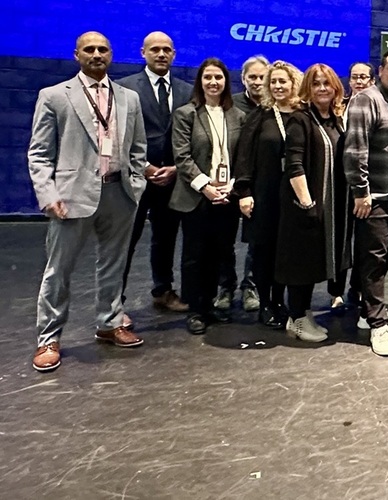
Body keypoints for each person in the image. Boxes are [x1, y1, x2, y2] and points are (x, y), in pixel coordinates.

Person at [28, 31, 148, 372]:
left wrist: (135, 184)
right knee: (59, 271)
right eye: (89, 49)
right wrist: (48, 194)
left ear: (111, 54)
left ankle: (109, 323)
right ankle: (48, 338)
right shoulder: (54, 96)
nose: (97, 54)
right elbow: (38, 153)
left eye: (103, 49)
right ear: (77, 55)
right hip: (71, 196)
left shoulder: (129, 98)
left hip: (119, 193)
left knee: (113, 264)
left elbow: (138, 147)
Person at [344, 48, 388, 356]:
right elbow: (354, 151)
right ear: (381, 71)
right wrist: (362, 192)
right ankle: (377, 324)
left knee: (384, 258)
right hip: (374, 198)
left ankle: (365, 310)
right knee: (374, 261)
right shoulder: (366, 100)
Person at [118, 31, 193, 321]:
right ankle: (115, 301)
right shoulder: (124, 88)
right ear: (143, 53)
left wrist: (175, 168)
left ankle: (163, 290)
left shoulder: (187, 90)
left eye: (167, 50)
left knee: (166, 238)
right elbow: (117, 137)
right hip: (135, 178)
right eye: (155, 50)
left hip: (172, 178)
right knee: (126, 240)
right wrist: (145, 167)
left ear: (174, 54)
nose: (161, 54)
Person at [169, 58, 245, 335]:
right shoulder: (185, 113)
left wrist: (231, 185)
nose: (213, 82)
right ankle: (196, 310)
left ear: (226, 81)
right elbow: (182, 156)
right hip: (196, 196)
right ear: (200, 82)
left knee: (220, 253)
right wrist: (205, 186)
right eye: (207, 77)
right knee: (194, 255)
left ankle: (211, 304)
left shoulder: (237, 116)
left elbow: (243, 157)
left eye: (219, 77)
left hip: (227, 196)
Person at [277, 63, 352, 342]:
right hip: (305, 207)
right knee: (301, 263)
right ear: (307, 88)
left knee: (311, 263)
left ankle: (302, 314)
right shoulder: (300, 119)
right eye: (316, 83)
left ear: (335, 88)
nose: (322, 88)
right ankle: (296, 319)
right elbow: (294, 164)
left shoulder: (333, 120)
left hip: (330, 205)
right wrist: (308, 204)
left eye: (327, 83)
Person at [234, 61, 302, 329]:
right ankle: (266, 304)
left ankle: (280, 301)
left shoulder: (301, 114)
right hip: (263, 197)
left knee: (285, 254)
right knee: (263, 253)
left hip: (292, 198)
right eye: (272, 82)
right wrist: (244, 192)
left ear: (292, 83)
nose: (277, 86)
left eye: (282, 81)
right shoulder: (260, 115)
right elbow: (244, 156)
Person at [223, 54, 271, 314]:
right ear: (243, 79)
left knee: (256, 240)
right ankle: (225, 286)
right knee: (224, 240)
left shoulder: (273, 107)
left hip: (258, 186)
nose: (256, 81)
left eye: (261, 77)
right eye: (251, 77)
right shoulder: (231, 106)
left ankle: (250, 286)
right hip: (227, 184)